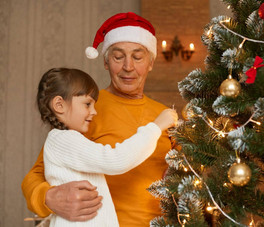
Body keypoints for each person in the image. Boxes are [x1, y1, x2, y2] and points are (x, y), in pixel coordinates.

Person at [22, 12, 176, 226]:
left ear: (150, 62)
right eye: (118, 56)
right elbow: (37, 173)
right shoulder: (83, 111)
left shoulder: (169, 117)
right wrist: (48, 197)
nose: (128, 67)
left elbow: (195, 171)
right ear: (105, 62)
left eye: (138, 57)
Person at [36, 67, 177, 226]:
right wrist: (156, 127)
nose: (94, 111)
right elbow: (116, 159)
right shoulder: (62, 140)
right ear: (59, 105)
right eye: (87, 104)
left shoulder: (70, 140)